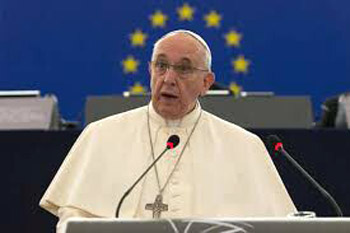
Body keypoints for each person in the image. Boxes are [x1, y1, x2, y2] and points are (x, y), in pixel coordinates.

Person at [40, 30, 296, 232]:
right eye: (161, 65)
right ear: (150, 70)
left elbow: (275, 225)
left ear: (207, 83)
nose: (169, 78)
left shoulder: (244, 146)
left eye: (184, 69)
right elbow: (72, 221)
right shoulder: (100, 136)